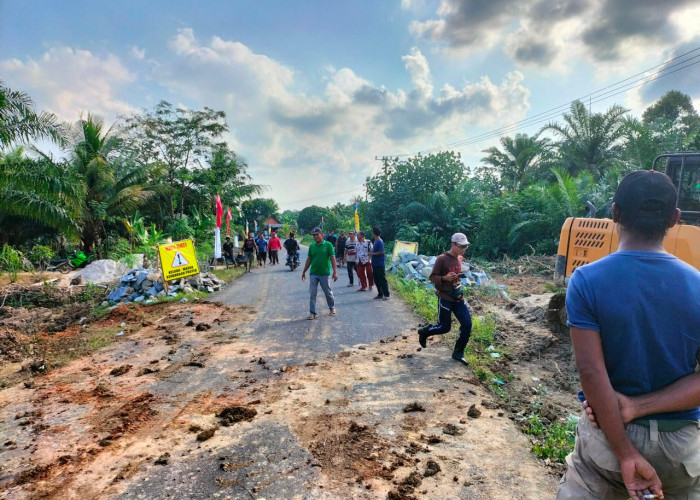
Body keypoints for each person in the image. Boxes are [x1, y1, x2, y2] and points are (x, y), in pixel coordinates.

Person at [557, 170, 700, 500]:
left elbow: (592, 373)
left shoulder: (587, 281)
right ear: (675, 218)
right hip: (681, 452)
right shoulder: (696, 285)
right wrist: (640, 406)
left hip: (610, 440)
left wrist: (626, 454)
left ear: (614, 212)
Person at [417, 233, 472, 367]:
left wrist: (458, 276)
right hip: (446, 298)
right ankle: (425, 332)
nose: (463, 249)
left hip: (458, 297)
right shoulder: (442, 259)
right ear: (453, 244)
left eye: (466, 246)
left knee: (467, 324)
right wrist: (444, 278)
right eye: (461, 246)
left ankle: (458, 353)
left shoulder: (459, 258)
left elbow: (455, 275)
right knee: (444, 328)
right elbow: (432, 277)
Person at [301, 227, 338, 319]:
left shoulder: (328, 245)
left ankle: (332, 308)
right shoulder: (312, 246)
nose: (315, 237)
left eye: (317, 234)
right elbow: (309, 259)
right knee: (312, 293)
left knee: (327, 292)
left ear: (322, 234)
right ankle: (312, 313)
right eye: (314, 235)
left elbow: (333, 259)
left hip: (324, 273)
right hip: (314, 273)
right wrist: (304, 271)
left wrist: (335, 272)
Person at [370, 226, 389, 300]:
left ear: (374, 233)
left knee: (382, 279)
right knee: (376, 279)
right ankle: (380, 293)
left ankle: (386, 295)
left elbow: (382, 252)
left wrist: (373, 254)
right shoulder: (376, 241)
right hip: (375, 263)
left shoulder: (380, 241)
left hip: (380, 264)